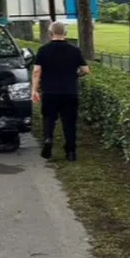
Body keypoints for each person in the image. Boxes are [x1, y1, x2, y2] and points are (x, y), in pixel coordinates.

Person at [32, 20, 91, 161]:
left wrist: (34, 90)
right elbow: (85, 70)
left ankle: (48, 139)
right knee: (69, 122)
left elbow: (36, 71)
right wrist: (75, 75)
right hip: (70, 91)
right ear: (65, 33)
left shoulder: (43, 50)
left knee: (48, 119)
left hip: (49, 91)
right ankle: (71, 152)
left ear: (50, 33)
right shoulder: (75, 50)